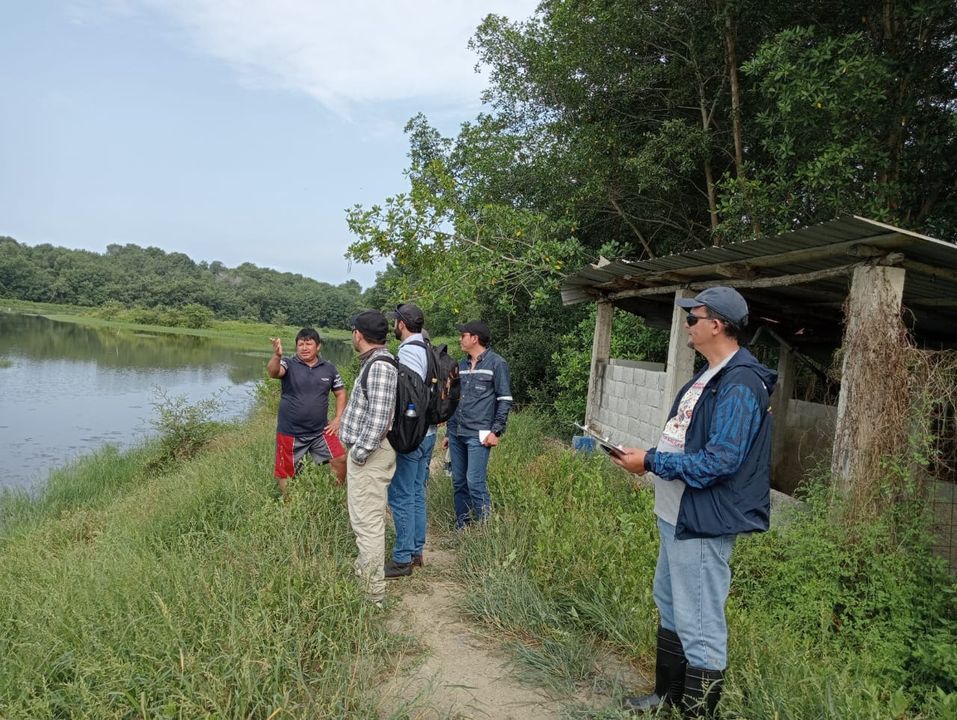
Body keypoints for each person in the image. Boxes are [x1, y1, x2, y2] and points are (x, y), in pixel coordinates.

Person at [611, 287, 776, 719]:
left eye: (692, 318)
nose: (686, 325)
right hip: (675, 514)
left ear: (716, 325)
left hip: (702, 519)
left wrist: (651, 461)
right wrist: (648, 457)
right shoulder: (709, 375)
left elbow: (721, 460)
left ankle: (697, 713)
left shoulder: (740, 382)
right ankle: (666, 697)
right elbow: (686, 442)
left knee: (699, 621)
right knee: (670, 602)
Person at [339, 310, 398, 606]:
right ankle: (365, 573)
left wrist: (359, 454)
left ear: (358, 334)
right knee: (364, 519)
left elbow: (379, 418)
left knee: (368, 523)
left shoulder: (380, 366)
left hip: (371, 454)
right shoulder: (374, 362)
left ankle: (372, 594)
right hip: (370, 452)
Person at [383, 303, 438, 577]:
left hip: (414, 435)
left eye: (395, 321)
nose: (394, 325)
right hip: (429, 433)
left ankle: (402, 558)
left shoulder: (408, 351)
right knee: (416, 492)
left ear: (401, 324)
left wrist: (401, 432)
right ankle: (416, 551)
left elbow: (410, 396)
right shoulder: (428, 347)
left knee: (401, 495)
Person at [444, 320, 512, 528]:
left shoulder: (496, 363)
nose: (460, 339)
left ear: (474, 338)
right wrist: (448, 432)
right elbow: (454, 399)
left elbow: (505, 399)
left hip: (479, 434)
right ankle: (462, 525)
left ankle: (485, 528)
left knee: (474, 481)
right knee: (459, 481)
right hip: (457, 432)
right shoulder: (460, 365)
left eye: (463, 335)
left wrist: (496, 431)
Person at [267, 327, 347, 495]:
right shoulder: (288, 363)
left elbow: (340, 393)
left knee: (340, 458)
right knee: (287, 472)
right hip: (290, 432)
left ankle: (334, 495)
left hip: (320, 431)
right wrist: (277, 355)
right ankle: (289, 505)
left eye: (308, 344)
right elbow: (273, 372)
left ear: (318, 346)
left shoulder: (329, 368)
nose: (304, 348)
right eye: (300, 344)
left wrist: (338, 418)